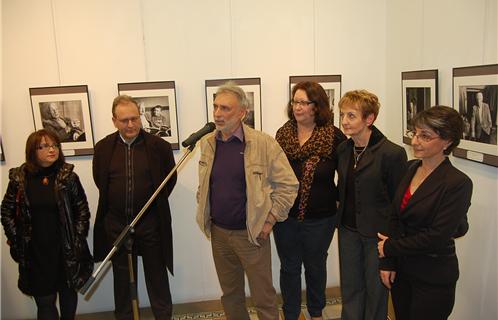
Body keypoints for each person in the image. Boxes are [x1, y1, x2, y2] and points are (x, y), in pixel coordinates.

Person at [196, 81, 299, 320]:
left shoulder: (263, 143)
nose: (218, 114)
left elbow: (289, 185)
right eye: (216, 107)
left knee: (263, 297)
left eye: (225, 108)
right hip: (219, 234)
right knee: (230, 295)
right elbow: (206, 185)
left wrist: (270, 220)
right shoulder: (207, 143)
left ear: (243, 112)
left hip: (251, 234)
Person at [378, 106, 473, 320]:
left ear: (447, 142)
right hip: (402, 271)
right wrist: (388, 262)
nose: (415, 141)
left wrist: (390, 247)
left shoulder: (457, 183)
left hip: (433, 276)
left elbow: (437, 237)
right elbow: (394, 217)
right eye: (415, 133)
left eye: (425, 136)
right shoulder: (411, 167)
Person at [92, 95, 177, 320]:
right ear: (114, 120)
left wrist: (148, 209)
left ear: (140, 117)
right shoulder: (103, 148)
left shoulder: (159, 147)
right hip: (117, 223)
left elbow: (169, 181)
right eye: (124, 120)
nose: (130, 125)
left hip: (150, 223)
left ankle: (163, 316)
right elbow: (101, 182)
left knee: (157, 276)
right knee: (122, 280)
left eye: (134, 119)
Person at [1, 129, 93, 320]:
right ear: (32, 151)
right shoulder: (19, 179)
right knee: (45, 302)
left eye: (54, 145)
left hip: (65, 250)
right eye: (44, 146)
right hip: (36, 252)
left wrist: (76, 239)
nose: (51, 149)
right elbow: (6, 211)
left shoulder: (68, 177)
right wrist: (16, 238)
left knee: (68, 294)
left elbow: (82, 211)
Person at [274, 81, 346, 319]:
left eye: (305, 102)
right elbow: (274, 176)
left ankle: (316, 312)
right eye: (295, 101)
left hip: (321, 218)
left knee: (315, 267)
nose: (298, 107)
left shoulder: (333, 137)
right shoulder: (282, 134)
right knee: (289, 268)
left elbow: (345, 176)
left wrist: (339, 206)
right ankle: (291, 313)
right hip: (285, 216)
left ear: (318, 106)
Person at [336, 90, 407, 320]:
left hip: (377, 235)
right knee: (350, 288)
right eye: (342, 115)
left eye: (351, 115)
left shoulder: (392, 153)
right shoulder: (343, 150)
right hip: (348, 230)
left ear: (369, 119)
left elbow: (398, 203)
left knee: (376, 291)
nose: (344, 121)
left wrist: (392, 241)